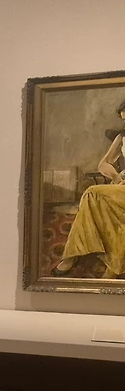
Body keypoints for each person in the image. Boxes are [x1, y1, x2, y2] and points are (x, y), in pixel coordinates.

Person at [55, 100, 125, 277]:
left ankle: (75, 255)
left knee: (92, 194)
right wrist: (116, 177)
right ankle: (79, 255)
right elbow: (104, 164)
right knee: (96, 199)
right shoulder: (122, 137)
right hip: (121, 189)